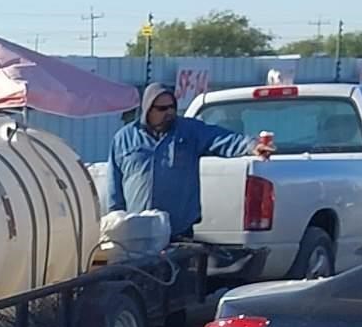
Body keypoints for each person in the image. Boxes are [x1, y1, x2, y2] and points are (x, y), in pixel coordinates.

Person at [105, 84, 263, 238]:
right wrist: (116, 218)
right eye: (162, 109)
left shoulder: (190, 131)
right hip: (137, 234)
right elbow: (114, 184)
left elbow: (222, 139)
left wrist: (252, 146)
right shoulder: (124, 139)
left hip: (179, 232)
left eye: (172, 107)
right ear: (147, 109)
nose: (169, 112)